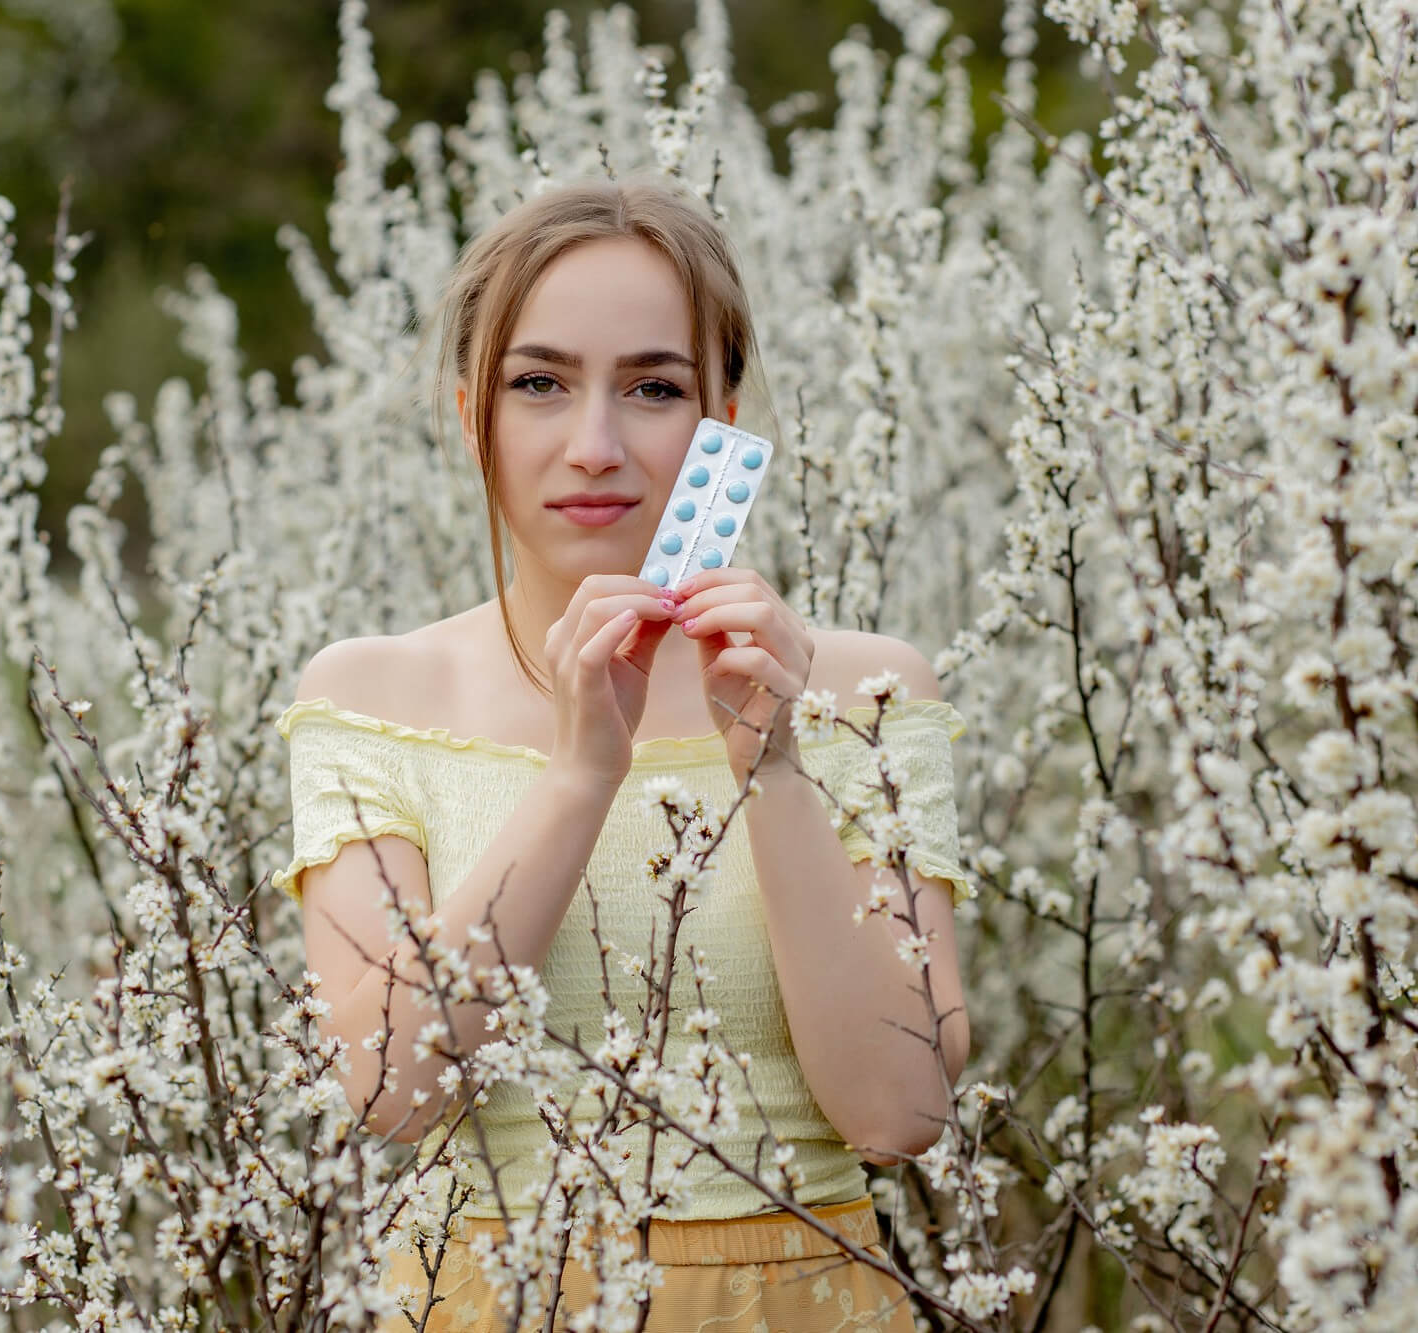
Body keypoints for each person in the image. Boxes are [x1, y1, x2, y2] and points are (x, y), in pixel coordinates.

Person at [273, 174, 974, 1332]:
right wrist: (578, 775)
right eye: (538, 384)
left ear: (725, 429)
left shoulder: (859, 690)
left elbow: (895, 1111)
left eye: (651, 387)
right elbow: (385, 1094)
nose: (592, 445)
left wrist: (776, 770)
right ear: (470, 417)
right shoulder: (374, 694)